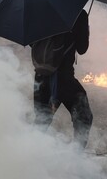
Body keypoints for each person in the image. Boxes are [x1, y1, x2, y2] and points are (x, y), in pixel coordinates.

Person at [33, 9, 92, 149]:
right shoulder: (78, 13)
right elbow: (82, 48)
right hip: (63, 78)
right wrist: (84, 28)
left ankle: (28, 158)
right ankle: (76, 157)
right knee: (84, 117)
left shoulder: (38, 11)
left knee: (41, 121)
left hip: (41, 76)